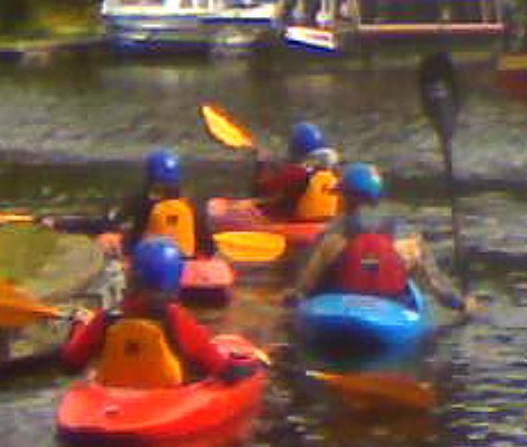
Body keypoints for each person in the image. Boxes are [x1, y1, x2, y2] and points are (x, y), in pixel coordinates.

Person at [59, 237, 260, 387]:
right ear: (174, 278)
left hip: (113, 400)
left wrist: (78, 327)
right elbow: (222, 370)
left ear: (132, 276)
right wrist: (251, 368)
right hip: (164, 400)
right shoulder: (175, 319)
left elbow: (70, 363)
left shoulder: (107, 317)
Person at [291, 163, 476, 315]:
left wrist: (291, 302)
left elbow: (303, 288)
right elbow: (438, 287)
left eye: (342, 195)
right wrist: (462, 303)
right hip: (391, 310)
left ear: (348, 198)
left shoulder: (332, 237)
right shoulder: (408, 240)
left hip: (339, 310)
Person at [114, 148, 218, 259]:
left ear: (149, 177)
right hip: (187, 261)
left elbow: (119, 223)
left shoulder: (140, 202)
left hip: (147, 261)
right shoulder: (191, 206)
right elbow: (209, 247)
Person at [252, 121, 340, 222]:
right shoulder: (334, 173)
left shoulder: (296, 172)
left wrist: (261, 163)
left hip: (294, 225)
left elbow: (261, 190)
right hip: (324, 223)